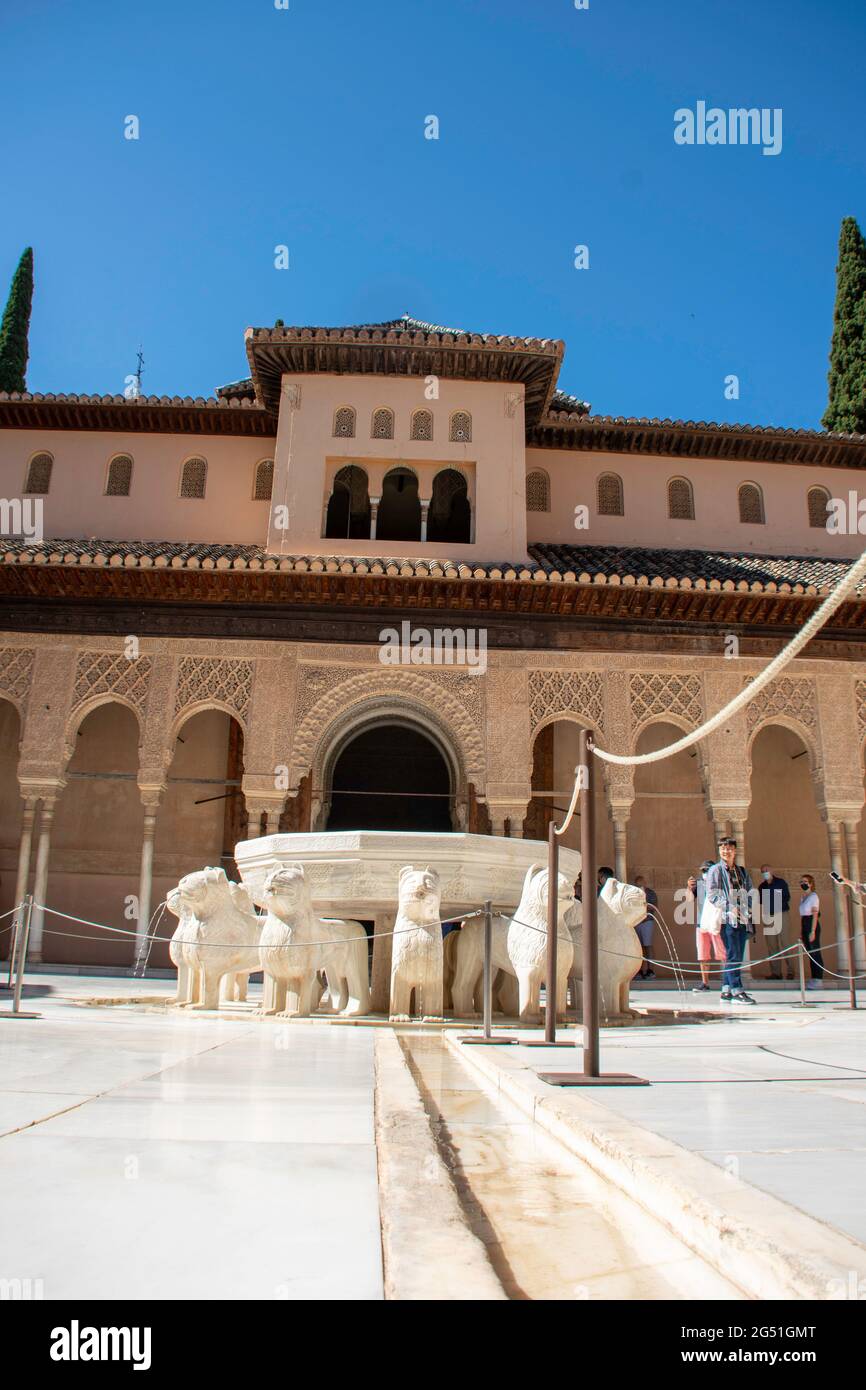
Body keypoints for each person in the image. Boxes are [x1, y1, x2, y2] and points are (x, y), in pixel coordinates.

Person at [704, 838, 756, 1004]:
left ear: (734, 850)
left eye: (729, 849)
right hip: (728, 919)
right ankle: (737, 990)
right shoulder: (716, 870)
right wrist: (729, 907)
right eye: (722, 849)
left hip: (742, 918)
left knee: (736, 955)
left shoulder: (741, 871)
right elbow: (712, 895)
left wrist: (745, 908)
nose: (726, 852)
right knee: (733, 955)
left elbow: (749, 890)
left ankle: (726, 990)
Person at [688, 860, 725, 993]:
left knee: (722, 953)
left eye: (707, 870)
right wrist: (689, 888)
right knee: (703, 955)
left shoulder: (719, 883)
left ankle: (728, 982)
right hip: (701, 922)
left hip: (716, 921)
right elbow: (689, 900)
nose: (705, 873)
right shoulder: (699, 884)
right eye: (703, 871)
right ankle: (705, 983)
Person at [758, 864, 793, 981]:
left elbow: (786, 897)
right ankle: (776, 972)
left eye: (767, 870)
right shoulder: (762, 886)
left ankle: (791, 971)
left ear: (771, 870)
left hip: (781, 913)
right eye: (763, 871)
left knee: (785, 943)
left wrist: (775, 902)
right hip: (768, 916)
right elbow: (762, 901)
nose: (765, 872)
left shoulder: (780, 883)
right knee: (772, 945)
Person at [798, 874, 824, 990]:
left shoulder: (814, 896)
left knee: (815, 951)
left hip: (811, 923)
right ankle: (813, 978)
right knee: (809, 952)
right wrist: (802, 931)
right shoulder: (803, 897)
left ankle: (818, 978)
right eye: (801, 882)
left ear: (810, 883)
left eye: (805, 882)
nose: (803, 883)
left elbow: (814, 914)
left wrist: (812, 931)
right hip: (804, 922)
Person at [633, 875, 658, 979]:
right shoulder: (633, 893)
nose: (639, 886)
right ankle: (639, 970)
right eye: (637, 884)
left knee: (647, 945)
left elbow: (653, 907)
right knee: (638, 948)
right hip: (637, 922)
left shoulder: (651, 893)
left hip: (647, 922)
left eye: (641, 884)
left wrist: (644, 902)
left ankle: (650, 970)